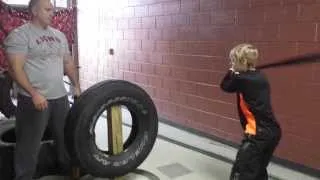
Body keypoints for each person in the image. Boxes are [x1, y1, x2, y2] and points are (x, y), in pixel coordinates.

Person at [3, 0, 81, 179]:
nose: (52, 13)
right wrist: (34, 94)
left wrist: (76, 85)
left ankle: (68, 174)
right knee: (28, 146)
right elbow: (15, 69)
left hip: (60, 99)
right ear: (34, 11)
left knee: (65, 140)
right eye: (47, 9)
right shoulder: (19, 35)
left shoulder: (59, 35)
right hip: (34, 101)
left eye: (52, 9)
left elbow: (68, 63)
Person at [220, 43, 282, 180]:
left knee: (241, 172)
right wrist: (238, 71)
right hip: (272, 132)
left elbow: (225, 86)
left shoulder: (241, 79)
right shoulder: (260, 76)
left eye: (232, 61)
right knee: (258, 170)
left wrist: (232, 71)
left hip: (257, 135)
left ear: (241, 62)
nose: (231, 63)